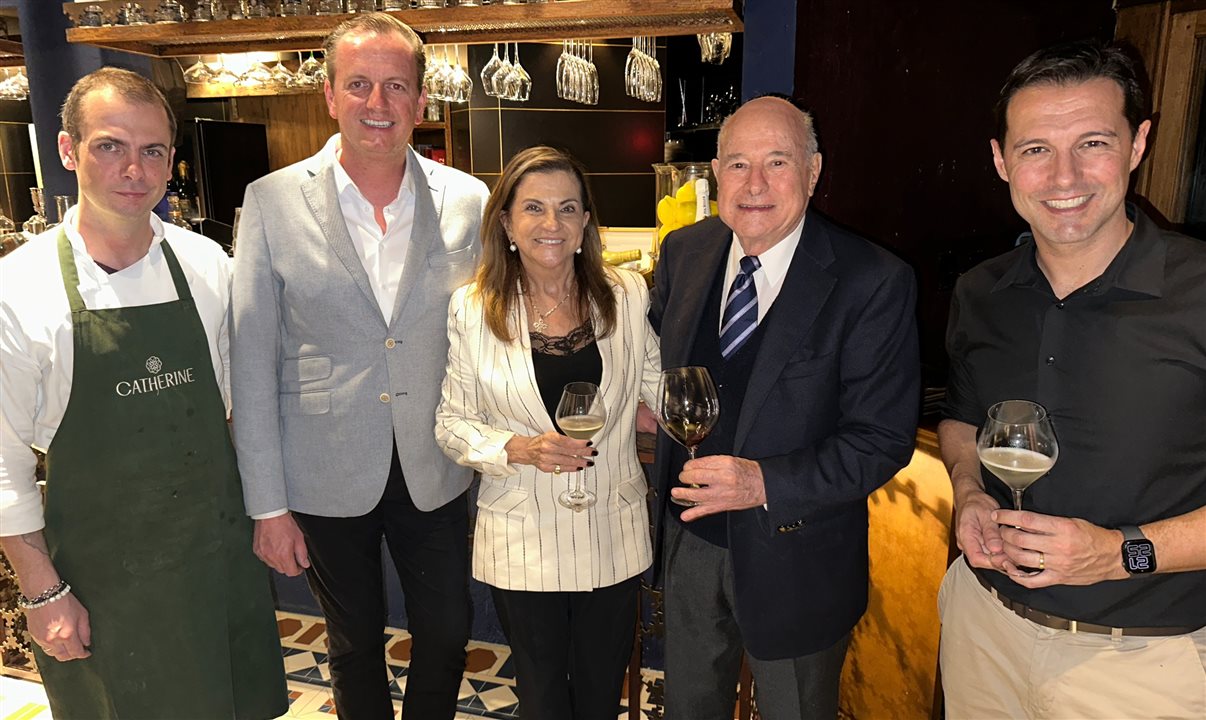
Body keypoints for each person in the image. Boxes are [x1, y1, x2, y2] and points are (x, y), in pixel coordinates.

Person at [0, 67, 286, 718]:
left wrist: (270, 512)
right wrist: (44, 594)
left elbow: (241, 409)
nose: (135, 168)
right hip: (108, 588)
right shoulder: (19, 291)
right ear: (68, 151)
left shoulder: (207, 265)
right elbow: (3, 465)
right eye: (110, 145)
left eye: (152, 150)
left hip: (218, 571)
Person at [229, 13, 489, 720]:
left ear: (422, 100)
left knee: (446, 628)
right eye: (361, 84)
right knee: (351, 640)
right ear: (330, 94)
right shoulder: (272, 201)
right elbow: (251, 359)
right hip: (321, 465)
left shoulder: (468, 200)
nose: (379, 103)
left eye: (396, 86)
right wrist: (268, 505)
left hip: (433, 461)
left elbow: (491, 332)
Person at [937, 40, 1206, 719]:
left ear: (1138, 143)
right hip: (984, 630)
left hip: (1145, 665)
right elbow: (963, 422)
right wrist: (968, 493)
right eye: (1034, 150)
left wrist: (1121, 554)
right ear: (1001, 160)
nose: (1063, 176)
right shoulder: (981, 291)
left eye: (1092, 142)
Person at [648, 96, 920, 719]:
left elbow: (880, 440)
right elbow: (657, 367)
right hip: (690, 538)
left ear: (815, 170)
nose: (756, 184)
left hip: (798, 554)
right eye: (739, 164)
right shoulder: (685, 252)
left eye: (778, 162)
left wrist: (762, 482)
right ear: (716, 173)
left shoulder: (872, 280)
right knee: (689, 706)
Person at [434, 146, 661, 719]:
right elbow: (451, 423)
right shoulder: (472, 309)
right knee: (541, 695)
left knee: (600, 691)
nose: (552, 224)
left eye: (567, 208)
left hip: (612, 525)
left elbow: (655, 380)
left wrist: (680, 412)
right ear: (506, 222)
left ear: (587, 222)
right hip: (522, 537)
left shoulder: (628, 294)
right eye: (533, 208)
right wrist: (518, 447)